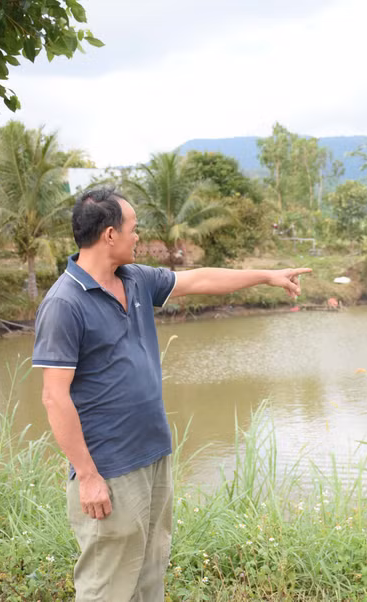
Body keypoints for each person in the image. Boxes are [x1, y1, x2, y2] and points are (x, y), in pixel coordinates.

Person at [32, 187, 310, 601]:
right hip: (109, 466)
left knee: (149, 573)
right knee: (106, 585)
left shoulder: (136, 279)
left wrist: (267, 276)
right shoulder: (65, 302)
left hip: (153, 455)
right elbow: (55, 398)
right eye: (133, 229)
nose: (138, 237)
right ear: (110, 235)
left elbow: (200, 279)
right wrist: (88, 476)